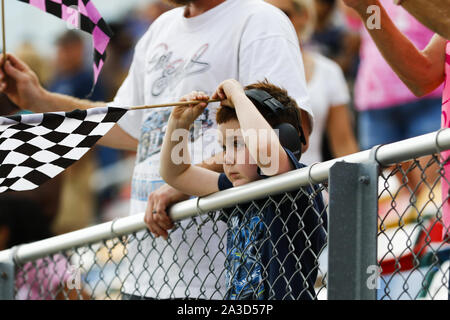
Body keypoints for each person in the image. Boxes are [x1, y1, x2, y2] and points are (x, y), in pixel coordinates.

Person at [0, 0, 314, 299]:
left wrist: (185, 183)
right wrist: (41, 100)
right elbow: (128, 126)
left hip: (221, 280)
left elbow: (289, 134)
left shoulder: (260, 20)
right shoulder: (159, 29)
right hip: (145, 269)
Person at [158, 79, 326, 299]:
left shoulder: (294, 182)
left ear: (284, 139)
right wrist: (178, 124)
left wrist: (238, 95)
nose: (226, 158)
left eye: (238, 143)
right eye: (224, 146)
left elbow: (267, 153)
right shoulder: (238, 189)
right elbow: (175, 174)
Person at [342, 0, 449, 248]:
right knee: (393, 199)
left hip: (423, 110)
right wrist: (367, 7)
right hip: (376, 101)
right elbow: (423, 75)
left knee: (425, 191)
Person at [266, 0, 358, 165]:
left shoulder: (328, 71)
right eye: (266, 16)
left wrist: (359, 186)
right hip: (259, 188)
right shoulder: (245, 71)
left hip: (314, 185)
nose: (275, 23)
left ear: (304, 16)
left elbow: (344, 145)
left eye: (284, 14)